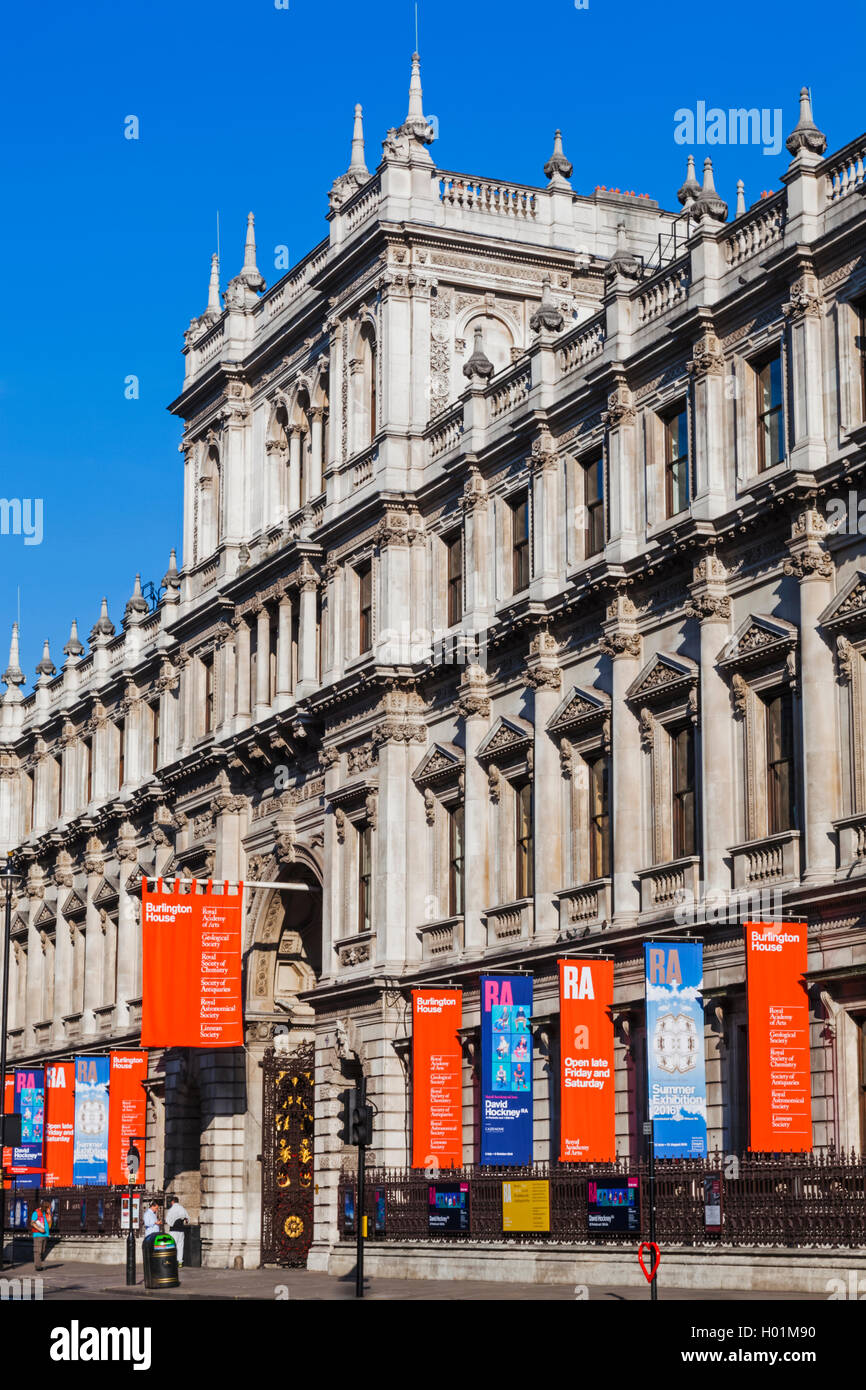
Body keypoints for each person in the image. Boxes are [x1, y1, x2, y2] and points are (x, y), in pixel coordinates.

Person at [164, 1194, 190, 1266]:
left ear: (173, 1202)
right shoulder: (182, 1209)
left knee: (172, 1245)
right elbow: (187, 1219)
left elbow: (168, 1220)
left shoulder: (171, 1209)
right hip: (181, 1230)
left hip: (173, 1230)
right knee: (180, 1246)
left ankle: (171, 1260)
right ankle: (180, 1262)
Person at [29, 1195, 52, 1271]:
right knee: (37, 1251)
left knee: (42, 1250)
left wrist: (49, 1215)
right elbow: (32, 1223)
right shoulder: (36, 1212)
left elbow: (50, 1224)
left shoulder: (46, 1213)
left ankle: (38, 1264)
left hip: (45, 1234)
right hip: (38, 1234)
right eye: (49, 1206)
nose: (50, 1207)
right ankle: (38, 1266)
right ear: (46, 1206)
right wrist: (39, 1229)